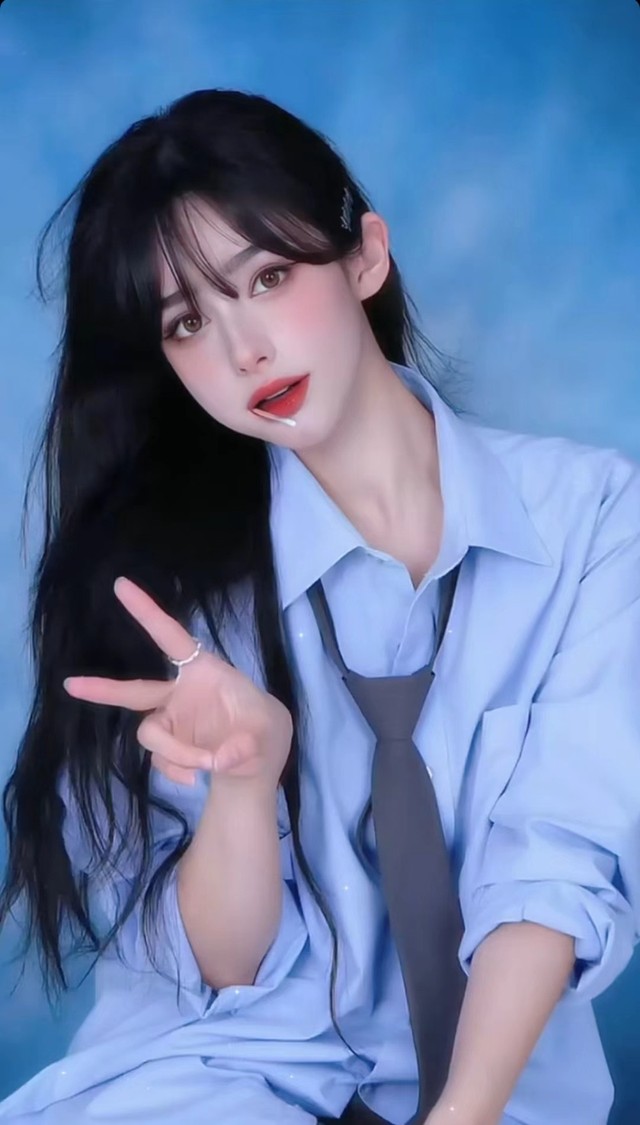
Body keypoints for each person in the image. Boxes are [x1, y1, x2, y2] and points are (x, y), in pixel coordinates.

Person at [0, 88, 639, 1125]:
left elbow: (559, 860)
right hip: (218, 1078)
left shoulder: (594, 518)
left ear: (365, 257)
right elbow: (224, 970)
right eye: (188, 322)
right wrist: (244, 786)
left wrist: (464, 1113)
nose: (243, 351)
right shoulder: (173, 598)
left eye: (267, 277)